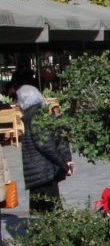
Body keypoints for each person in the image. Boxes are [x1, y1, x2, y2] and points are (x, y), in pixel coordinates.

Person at [18, 85, 73, 214]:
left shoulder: (35, 116)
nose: (17, 103)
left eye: (18, 100)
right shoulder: (39, 114)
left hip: (42, 174)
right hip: (42, 173)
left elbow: (46, 146)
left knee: (47, 213)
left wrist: (64, 165)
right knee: (48, 212)